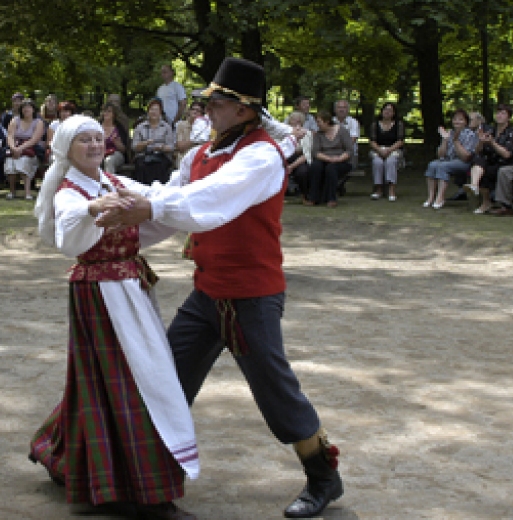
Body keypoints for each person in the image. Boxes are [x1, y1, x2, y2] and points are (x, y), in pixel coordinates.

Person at [97, 58, 344, 519]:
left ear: (244, 110)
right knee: (167, 381)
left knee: (275, 392)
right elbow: (168, 198)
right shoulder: (201, 155)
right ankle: (147, 482)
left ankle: (324, 477)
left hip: (252, 295)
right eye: (207, 101)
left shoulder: (259, 157)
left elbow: (207, 201)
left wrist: (148, 207)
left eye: (216, 102)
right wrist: (109, 205)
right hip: (208, 292)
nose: (206, 109)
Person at [29, 114, 200, 520]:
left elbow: (159, 196)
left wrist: (195, 164)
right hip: (100, 295)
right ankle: (143, 491)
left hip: (130, 291)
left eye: (97, 138)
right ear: (67, 148)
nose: (93, 145)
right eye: (84, 140)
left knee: (107, 382)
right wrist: (93, 206)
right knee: (129, 381)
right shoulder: (70, 191)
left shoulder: (114, 181)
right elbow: (69, 221)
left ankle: (65, 456)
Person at [467, 104, 513, 214]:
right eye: (498, 113)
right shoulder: (490, 130)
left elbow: (507, 154)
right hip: (489, 161)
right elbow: (477, 151)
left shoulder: (512, 133)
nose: (499, 115)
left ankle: (484, 198)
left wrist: (492, 143)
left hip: (505, 164)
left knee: (486, 169)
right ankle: (474, 186)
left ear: (509, 117)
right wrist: (481, 141)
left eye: (503, 113)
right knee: (478, 159)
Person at [422, 109, 477, 209]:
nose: (457, 121)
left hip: (463, 163)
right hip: (448, 160)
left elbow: (466, 157)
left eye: (460, 119)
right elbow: (440, 155)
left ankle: (440, 198)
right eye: (455, 119)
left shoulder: (470, 134)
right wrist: (445, 139)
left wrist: (455, 141)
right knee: (432, 165)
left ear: (466, 122)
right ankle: (431, 197)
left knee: (443, 166)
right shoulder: (450, 132)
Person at [303, 109, 355, 208]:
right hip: (325, 159)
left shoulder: (342, 131)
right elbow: (315, 152)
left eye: (319, 122)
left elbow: (349, 150)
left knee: (331, 168)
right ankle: (313, 197)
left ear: (326, 121)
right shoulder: (319, 134)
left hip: (342, 160)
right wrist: (329, 159)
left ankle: (331, 198)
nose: (317, 124)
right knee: (315, 166)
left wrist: (339, 159)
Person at [4, 99, 43, 200]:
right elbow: (10, 136)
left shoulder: (38, 122)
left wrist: (20, 148)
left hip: (31, 149)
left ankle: (27, 192)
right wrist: (13, 148)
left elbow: (34, 139)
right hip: (15, 146)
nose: (26, 109)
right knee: (10, 161)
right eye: (24, 107)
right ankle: (12, 191)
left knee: (24, 161)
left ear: (33, 109)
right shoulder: (15, 120)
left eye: (29, 107)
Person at [132, 98, 176, 184]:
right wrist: (145, 143)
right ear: (148, 111)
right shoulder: (140, 127)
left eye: (156, 110)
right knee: (142, 166)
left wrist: (162, 148)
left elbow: (171, 147)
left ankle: (159, 190)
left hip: (161, 155)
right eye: (152, 109)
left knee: (159, 166)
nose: (154, 112)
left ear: (160, 112)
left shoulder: (166, 127)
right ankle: (143, 189)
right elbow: (134, 147)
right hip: (143, 155)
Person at [369, 102, 404, 201]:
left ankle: (391, 190)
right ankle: (378, 190)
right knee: (377, 162)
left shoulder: (398, 125)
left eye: (390, 110)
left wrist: (389, 150)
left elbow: (400, 141)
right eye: (385, 110)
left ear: (394, 113)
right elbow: (372, 141)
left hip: (394, 149)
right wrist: (380, 150)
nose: (387, 112)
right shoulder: (375, 125)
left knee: (391, 161)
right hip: (378, 149)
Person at [285, 111, 313, 200]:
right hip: (285, 158)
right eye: (293, 120)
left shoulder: (307, 134)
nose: (296, 122)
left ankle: (304, 195)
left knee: (302, 172)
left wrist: (291, 167)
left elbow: (307, 154)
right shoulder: (283, 132)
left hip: (300, 159)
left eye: (298, 121)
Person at [100, 102, 130, 174]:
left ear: (114, 114)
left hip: (115, 154)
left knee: (109, 160)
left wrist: (117, 143)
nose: (106, 113)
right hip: (99, 153)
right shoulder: (97, 126)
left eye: (109, 111)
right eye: (104, 111)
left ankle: (109, 181)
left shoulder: (119, 128)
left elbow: (124, 150)